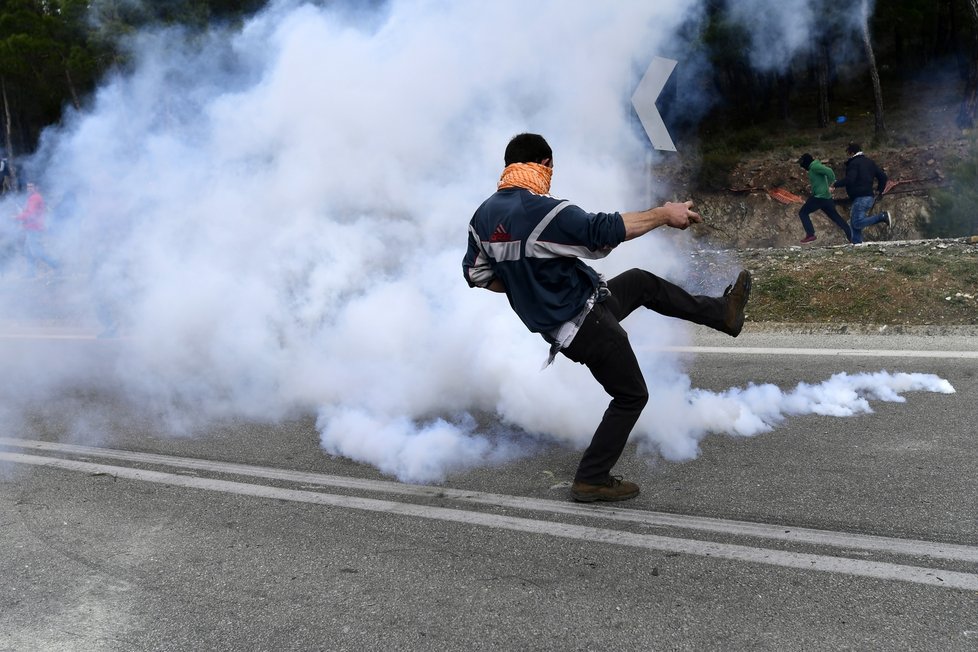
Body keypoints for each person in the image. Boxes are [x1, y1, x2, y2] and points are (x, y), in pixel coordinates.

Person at [463, 133, 751, 503]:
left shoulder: (482, 217)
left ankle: (723, 315)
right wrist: (665, 214)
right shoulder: (541, 210)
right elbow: (602, 233)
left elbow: (478, 276)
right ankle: (591, 478)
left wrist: (526, 289)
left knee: (641, 283)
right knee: (631, 396)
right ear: (546, 164)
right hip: (582, 324)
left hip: (577, 310)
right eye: (552, 168)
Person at [833, 142, 892, 244]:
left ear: (851, 152)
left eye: (847, 153)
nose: (847, 155)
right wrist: (880, 190)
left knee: (857, 222)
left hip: (861, 197)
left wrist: (835, 185)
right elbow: (883, 177)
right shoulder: (870, 162)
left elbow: (850, 179)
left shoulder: (854, 163)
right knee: (854, 222)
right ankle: (857, 243)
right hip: (868, 196)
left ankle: (882, 216)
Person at [796, 153, 852, 244]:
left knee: (803, 213)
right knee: (837, 218)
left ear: (806, 161)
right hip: (826, 198)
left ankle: (810, 234)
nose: (801, 166)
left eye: (802, 163)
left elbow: (829, 171)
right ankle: (851, 237)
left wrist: (832, 183)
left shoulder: (814, 167)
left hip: (819, 197)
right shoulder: (814, 167)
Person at [14, 181, 59, 277]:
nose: (29, 188)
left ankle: (56, 265)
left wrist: (16, 217)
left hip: (34, 228)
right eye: (28, 187)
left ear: (36, 188)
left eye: (31, 186)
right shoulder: (32, 198)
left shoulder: (35, 198)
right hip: (31, 228)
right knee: (28, 252)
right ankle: (31, 273)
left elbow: (31, 214)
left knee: (37, 251)